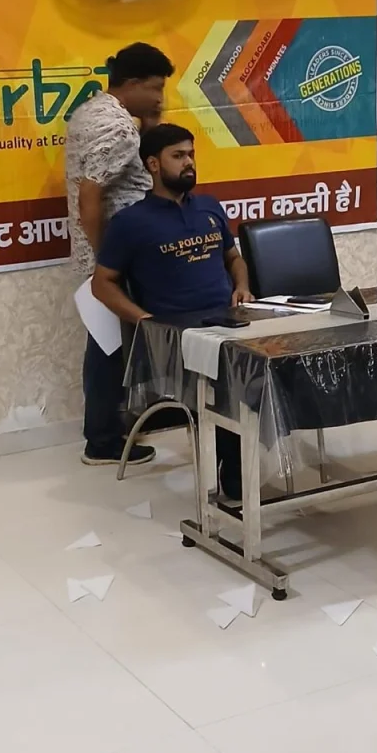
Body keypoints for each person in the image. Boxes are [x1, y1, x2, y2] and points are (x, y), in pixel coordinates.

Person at [91, 122, 254, 497]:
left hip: (230, 321)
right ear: (153, 164)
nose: (189, 163)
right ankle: (236, 480)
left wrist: (242, 287)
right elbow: (102, 284)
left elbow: (234, 258)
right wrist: (144, 320)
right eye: (178, 156)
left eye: (191, 154)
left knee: (273, 363)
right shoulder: (130, 223)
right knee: (230, 381)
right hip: (177, 335)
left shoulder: (209, 207)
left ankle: (252, 469)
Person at [66, 42, 175, 466]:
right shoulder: (118, 128)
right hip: (115, 256)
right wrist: (105, 263)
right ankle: (102, 440)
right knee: (109, 349)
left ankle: (116, 426)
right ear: (131, 83)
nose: (160, 97)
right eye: (155, 87)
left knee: (113, 343)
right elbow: (90, 197)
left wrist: (151, 123)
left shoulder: (92, 112)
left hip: (110, 253)